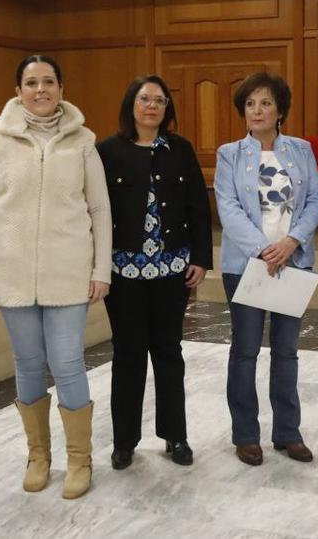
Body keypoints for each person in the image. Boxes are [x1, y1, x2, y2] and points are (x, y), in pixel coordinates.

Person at [0, 54, 111, 500]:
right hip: (11, 271)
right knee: (28, 363)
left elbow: (99, 209)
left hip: (68, 270)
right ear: (18, 91)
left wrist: (101, 268)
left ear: (61, 89)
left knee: (67, 362)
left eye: (48, 81)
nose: (40, 90)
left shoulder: (83, 141)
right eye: (31, 82)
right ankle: (38, 456)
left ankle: (79, 459)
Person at [96, 75, 212, 471]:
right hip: (123, 271)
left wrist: (200, 256)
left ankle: (175, 436)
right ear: (131, 104)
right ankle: (124, 441)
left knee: (168, 351)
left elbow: (198, 205)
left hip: (172, 269)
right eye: (144, 99)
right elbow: (94, 212)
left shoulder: (179, 150)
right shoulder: (107, 152)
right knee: (127, 354)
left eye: (159, 100)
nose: (151, 106)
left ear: (167, 108)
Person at [214, 72, 318, 466]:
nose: (257, 110)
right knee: (245, 351)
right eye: (250, 104)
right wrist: (264, 250)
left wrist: (290, 242)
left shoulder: (301, 150)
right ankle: (246, 434)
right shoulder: (229, 154)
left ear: (280, 110)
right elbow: (227, 208)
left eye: (265, 103)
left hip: (293, 262)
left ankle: (287, 433)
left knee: (286, 352)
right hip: (247, 266)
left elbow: (314, 199)